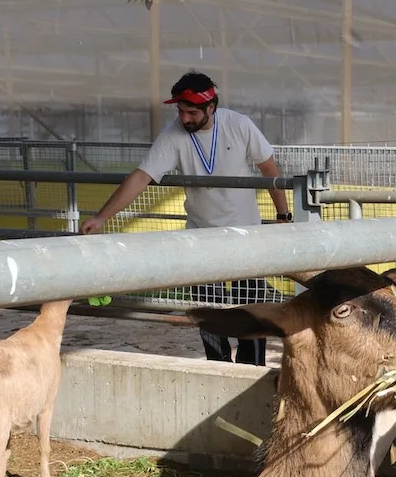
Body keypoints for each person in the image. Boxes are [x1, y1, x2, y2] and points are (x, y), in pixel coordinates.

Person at [81, 71, 291, 366]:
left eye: (192, 112)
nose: (185, 118)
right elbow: (142, 177)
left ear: (211, 108)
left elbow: (270, 170)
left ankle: (251, 371)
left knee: (250, 317)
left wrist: (283, 215)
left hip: (247, 237)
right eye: (181, 111)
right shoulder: (173, 135)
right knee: (209, 315)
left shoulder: (239, 125)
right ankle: (217, 369)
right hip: (201, 238)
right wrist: (102, 217)